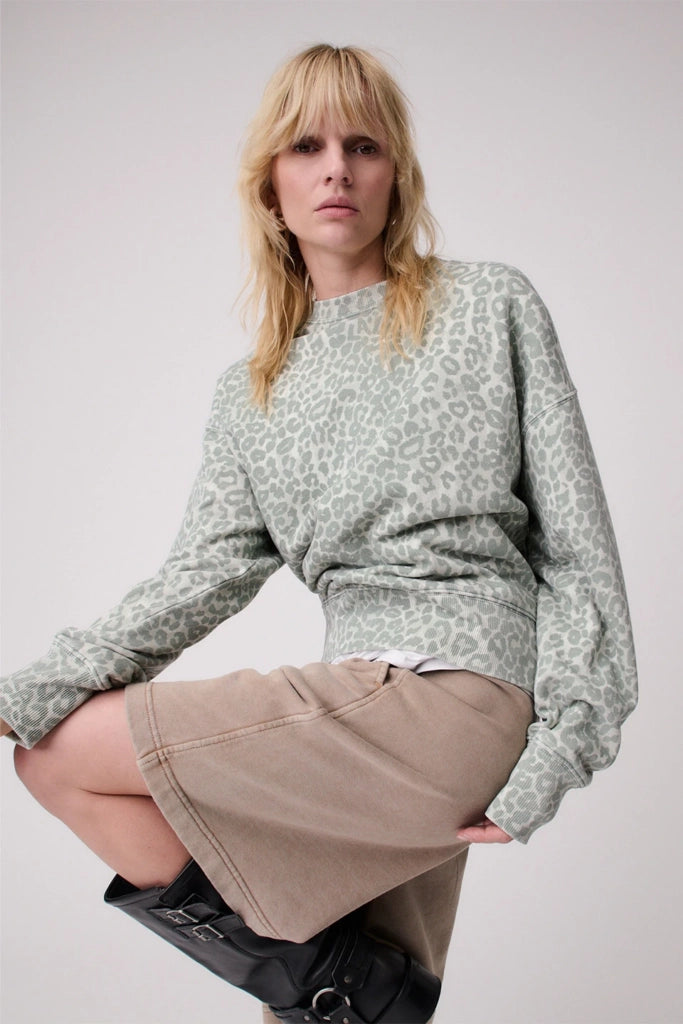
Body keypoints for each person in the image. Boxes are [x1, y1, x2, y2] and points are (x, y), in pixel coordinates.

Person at [0, 43, 637, 1024]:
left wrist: (561, 749)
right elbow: (196, 578)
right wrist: (29, 689)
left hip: (454, 701)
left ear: (396, 174)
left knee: (56, 758)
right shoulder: (251, 393)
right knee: (342, 1012)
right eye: (306, 146)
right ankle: (338, 989)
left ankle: (332, 983)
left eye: (362, 145)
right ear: (271, 185)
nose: (336, 168)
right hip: (356, 733)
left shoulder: (487, 307)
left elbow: (575, 548)